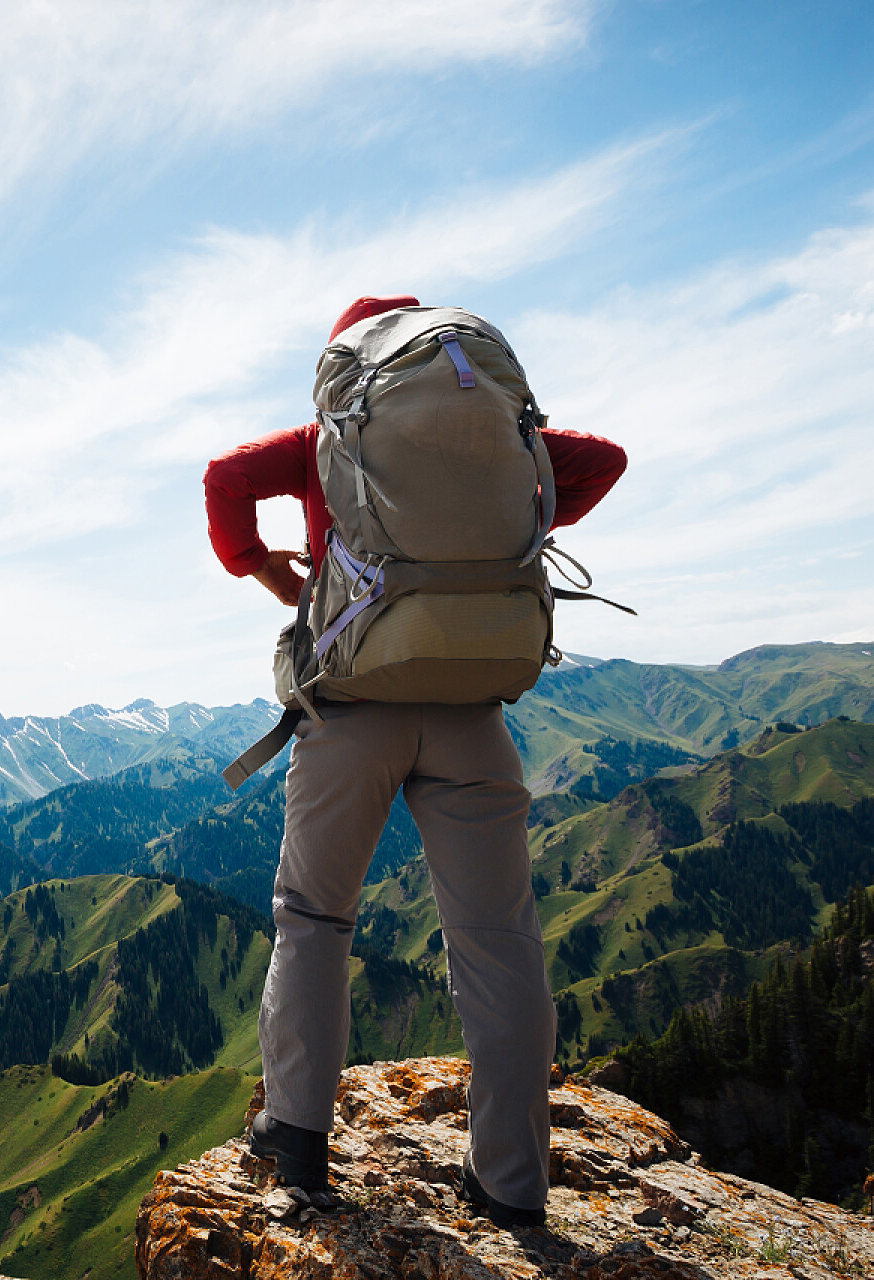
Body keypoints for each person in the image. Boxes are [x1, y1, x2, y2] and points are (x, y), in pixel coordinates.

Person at [203, 294, 627, 1229]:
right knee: (499, 940)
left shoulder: (329, 438)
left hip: (352, 708)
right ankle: (511, 1183)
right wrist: (511, 519)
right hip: (473, 713)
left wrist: (259, 566)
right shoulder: (493, 439)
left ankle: (298, 1140)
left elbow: (224, 475)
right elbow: (606, 461)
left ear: (349, 365)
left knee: (314, 917)